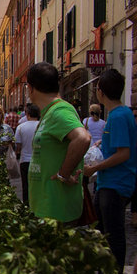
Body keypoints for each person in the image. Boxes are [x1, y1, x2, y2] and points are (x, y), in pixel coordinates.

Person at [83, 70, 136, 274]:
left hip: (116, 183)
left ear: (100, 91)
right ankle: (105, 272)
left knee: (113, 234)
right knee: (101, 229)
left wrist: (95, 168)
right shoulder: (117, 115)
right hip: (109, 183)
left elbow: (124, 153)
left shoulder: (119, 116)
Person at [27, 63, 91, 223]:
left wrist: (64, 173)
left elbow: (82, 138)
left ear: (30, 88)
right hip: (47, 207)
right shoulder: (50, 112)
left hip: (57, 210)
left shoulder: (59, 111)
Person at [15, 104, 40, 204]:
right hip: (39, 160)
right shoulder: (42, 126)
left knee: (25, 185)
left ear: (27, 114)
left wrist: (18, 152)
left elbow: (18, 145)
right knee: (38, 185)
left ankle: (26, 205)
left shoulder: (21, 127)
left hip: (25, 160)